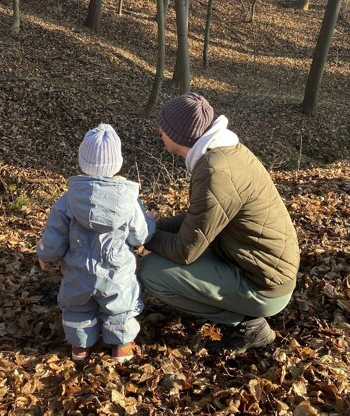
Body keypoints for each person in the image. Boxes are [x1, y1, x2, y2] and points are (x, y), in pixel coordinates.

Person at [139, 93, 300, 353]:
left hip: (265, 286)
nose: (160, 131)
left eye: (165, 128)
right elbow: (200, 220)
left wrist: (143, 235)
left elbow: (184, 251)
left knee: (151, 270)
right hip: (254, 264)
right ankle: (240, 311)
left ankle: (247, 324)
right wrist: (156, 226)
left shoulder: (215, 172)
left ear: (180, 135)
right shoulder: (223, 154)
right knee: (160, 258)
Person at [37, 124, 156, 362]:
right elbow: (140, 236)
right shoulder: (129, 201)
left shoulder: (67, 201)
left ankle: (80, 348)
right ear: (118, 163)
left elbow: (54, 237)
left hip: (78, 273)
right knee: (120, 308)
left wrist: (45, 257)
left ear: (83, 161)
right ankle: (121, 348)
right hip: (117, 272)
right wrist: (150, 222)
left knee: (77, 309)